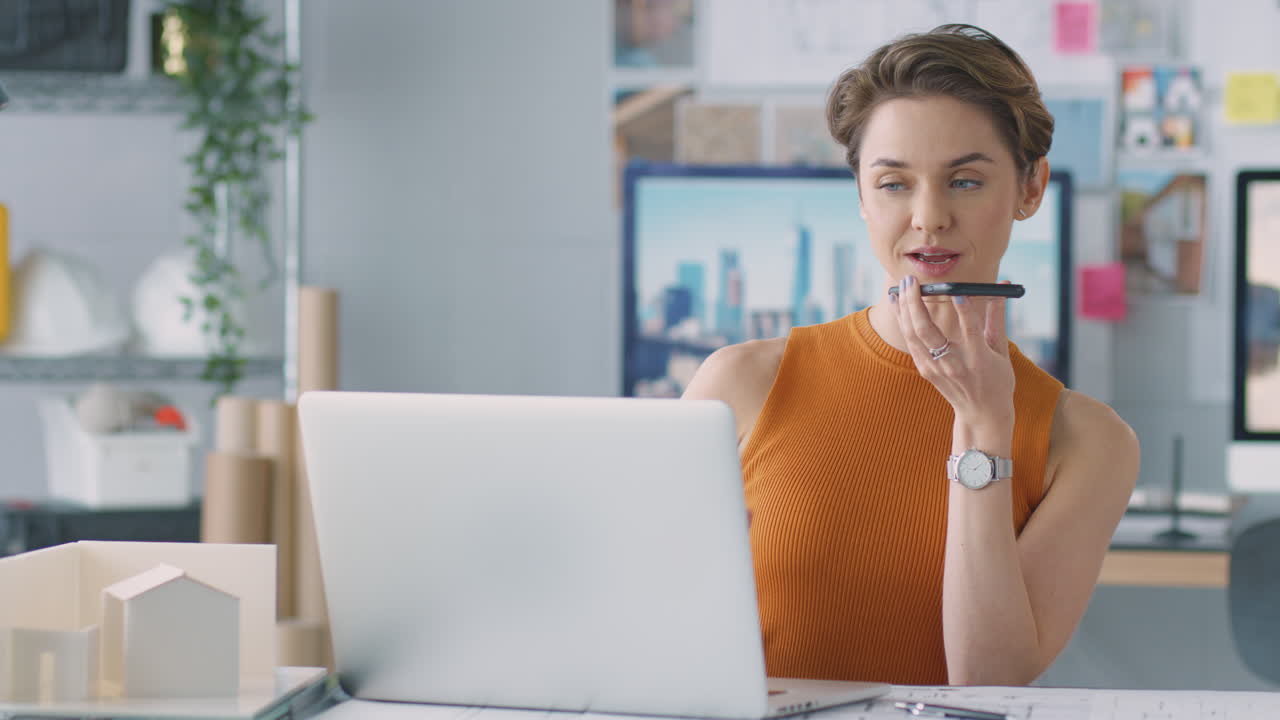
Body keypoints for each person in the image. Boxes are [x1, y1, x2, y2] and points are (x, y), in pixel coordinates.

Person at [682, 24, 1139, 687]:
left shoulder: (1091, 443)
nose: (928, 217)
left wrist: (984, 427)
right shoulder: (740, 383)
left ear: (1029, 188)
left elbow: (989, 683)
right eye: (895, 183)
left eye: (966, 181)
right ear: (862, 198)